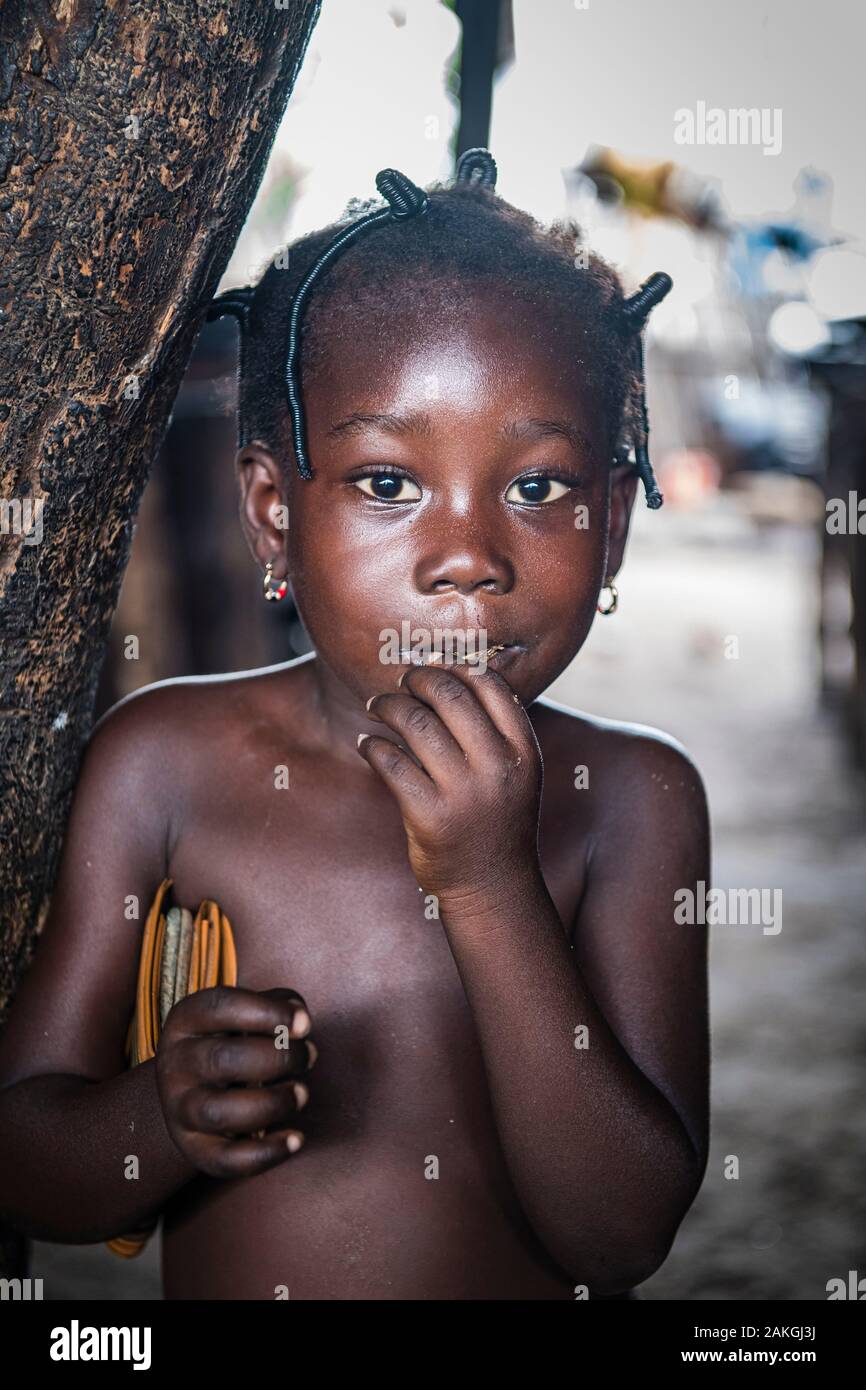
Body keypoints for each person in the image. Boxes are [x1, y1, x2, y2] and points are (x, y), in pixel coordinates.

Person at [0, 150, 709, 1300]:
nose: (468, 559)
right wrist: (162, 1115)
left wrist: (487, 884)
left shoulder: (634, 800)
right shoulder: (164, 766)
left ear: (613, 523)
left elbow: (619, 1234)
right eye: (388, 483)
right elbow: (26, 1162)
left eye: (536, 488)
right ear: (275, 515)